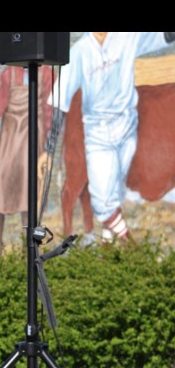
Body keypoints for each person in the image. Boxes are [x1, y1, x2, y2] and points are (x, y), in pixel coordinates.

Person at [44, 31, 175, 242]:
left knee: (114, 193)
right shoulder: (79, 52)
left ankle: (106, 242)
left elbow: (163, 37)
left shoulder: (126, 38)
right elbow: (60, 99)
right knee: (104, 203)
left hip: (128, 127)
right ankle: (129, 244)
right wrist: (48, 147)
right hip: (98, 134)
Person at [0, 32, 55, 255]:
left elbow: (49, 112)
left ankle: (32, 257)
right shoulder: (8, 74)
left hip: (33, 143)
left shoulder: (47, 74)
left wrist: (47, 149)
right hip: (8, 143)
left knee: (30, 206)